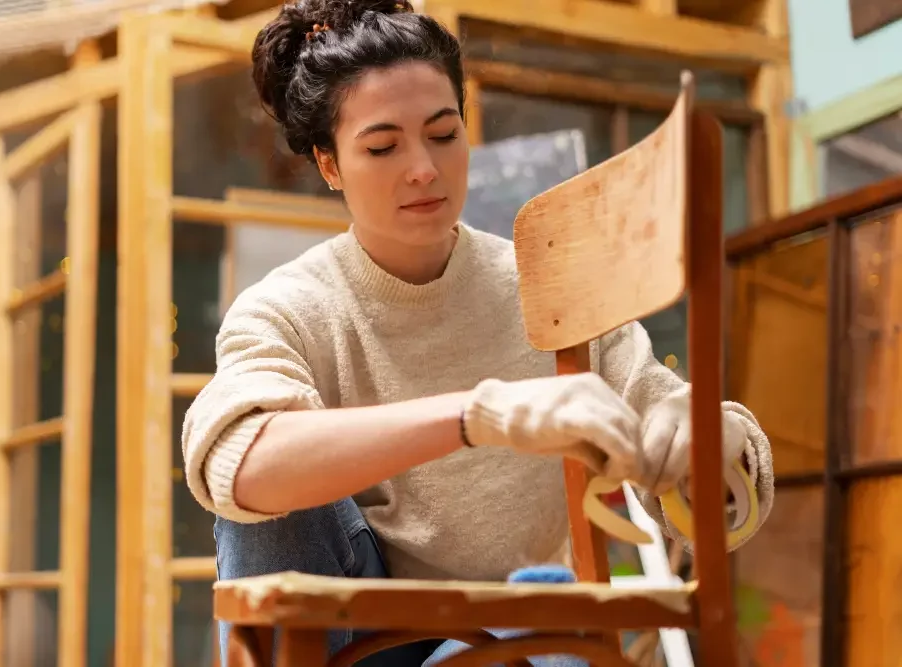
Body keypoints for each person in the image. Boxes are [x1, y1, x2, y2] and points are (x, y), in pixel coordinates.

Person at [181, 1, 776, 665]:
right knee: (259, 480)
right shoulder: (289, 306)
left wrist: (710, 441)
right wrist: (479, 414)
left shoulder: (546, 284)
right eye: (382, 147)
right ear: (329, 164)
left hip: (515, 627)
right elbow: (238, 462)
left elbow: (699, 476)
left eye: (443, 133)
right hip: (353, 638)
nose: (425, 169)